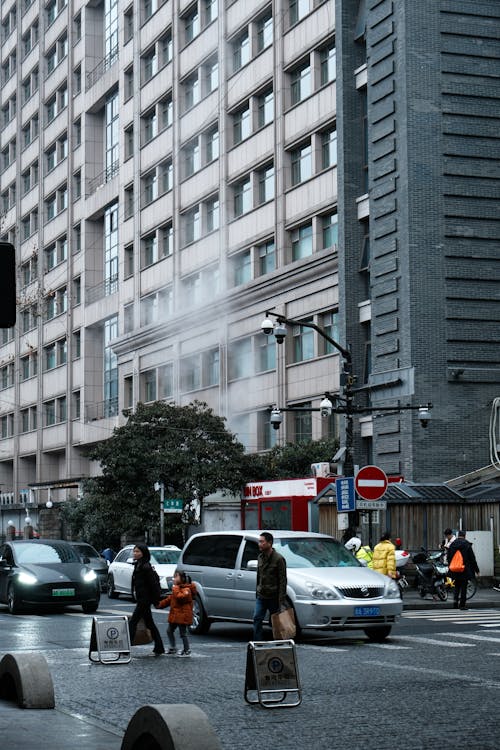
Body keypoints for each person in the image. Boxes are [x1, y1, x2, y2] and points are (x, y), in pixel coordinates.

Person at [128, 543, 165, 655]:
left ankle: (125, 648)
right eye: (134, 551)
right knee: (149, 623)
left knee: (132, 622)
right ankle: (159, 647)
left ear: (143, 553)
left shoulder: (146, 567)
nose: (135, 553)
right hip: (141, 599)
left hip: (144, 600)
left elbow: (153, 585)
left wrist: (155, 600)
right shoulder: (138, 565)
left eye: (138, 551)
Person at [253, 531, 287, 641]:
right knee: (257, 618)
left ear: (269, 543)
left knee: (275, 622)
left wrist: (281, 600)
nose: (259, 544)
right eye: (259, 542)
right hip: (262, 596)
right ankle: (257, 642)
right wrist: (257, 591)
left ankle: (277, 642)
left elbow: (283, 580)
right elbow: (259, 576)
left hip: (273, 597)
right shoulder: (260, 557)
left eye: (262, 542)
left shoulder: (279, 559)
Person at [158, 570, 197, 657]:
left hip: (182, 616)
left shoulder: (186, 590)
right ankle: (173, 647)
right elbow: (169, 599)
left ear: (182, 579)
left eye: (176, 577)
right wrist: (159, 605)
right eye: (174, 577)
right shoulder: (178, 589)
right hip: (175, 616)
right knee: (169, 631)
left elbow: (180, 597)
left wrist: (175, 589)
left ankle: (187, 649)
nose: (174, 579)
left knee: (183, 633)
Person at [447, 530, 479, 610]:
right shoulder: (467, 545)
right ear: (465, 535)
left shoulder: (453, 544)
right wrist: (476, 570)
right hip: (464, 569)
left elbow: (448, 557)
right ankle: (462, 605)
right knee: (464, 587)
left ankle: (455, 603)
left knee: (456, 586)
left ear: (458, 535)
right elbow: (472, 559)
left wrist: (452, 566)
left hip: (455, 569)